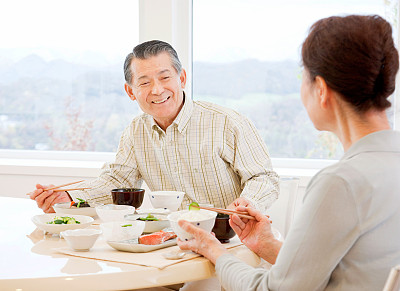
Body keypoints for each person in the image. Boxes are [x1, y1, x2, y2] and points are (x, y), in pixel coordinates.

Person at [177, 14, 400, 291]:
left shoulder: (341, 183)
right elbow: (348, 272)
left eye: (303, 77)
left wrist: (214, 251)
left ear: (321, 89)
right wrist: (267, 246)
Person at [28, 40, 279, 215]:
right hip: (171, 241)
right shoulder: (135, 132)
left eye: (165, 77)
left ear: (182, 78)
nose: (157, 90)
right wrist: (70, 199)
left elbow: (264, 178)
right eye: (145, 82)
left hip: (229, 240)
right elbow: (117, 182)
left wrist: (248, 203)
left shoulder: (227, 122)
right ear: (130, 91)